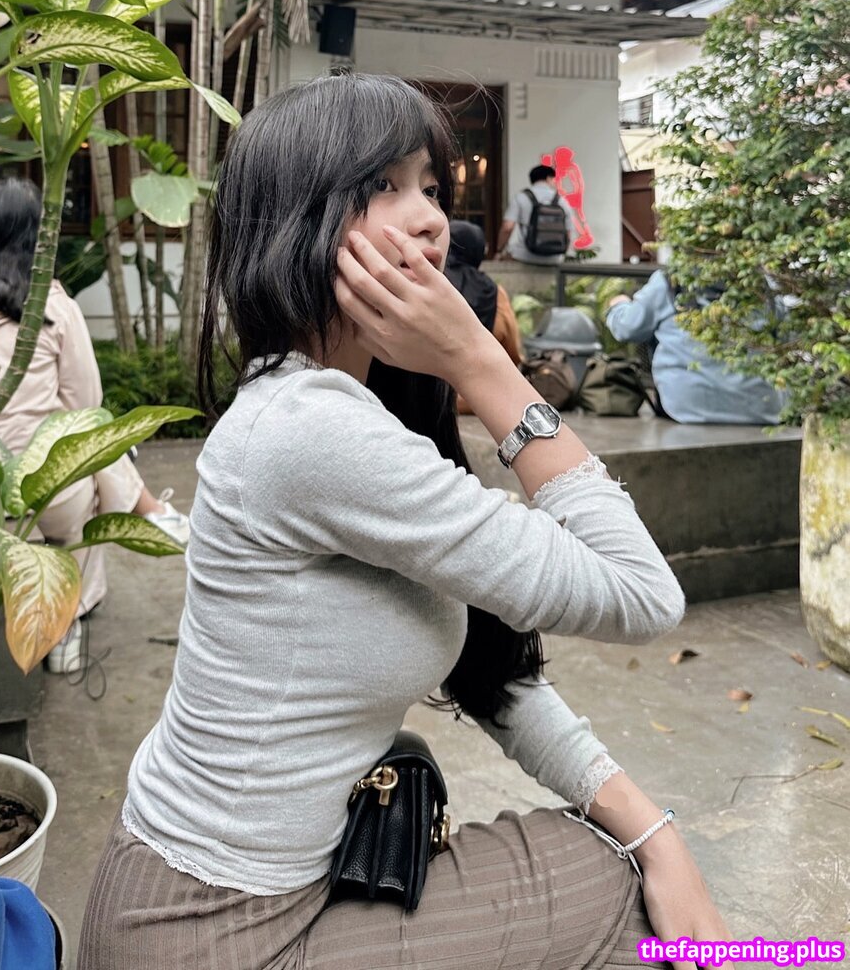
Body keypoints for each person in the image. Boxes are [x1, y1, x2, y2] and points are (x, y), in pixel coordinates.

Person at [79, 73, 735, 970]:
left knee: (625, 866)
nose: (429, 218)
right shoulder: (309, 430)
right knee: (614, 889)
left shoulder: (355, 406)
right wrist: (482, 363)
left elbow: (490, 670)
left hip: (229, 898)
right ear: (298, 224)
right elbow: (642, 595)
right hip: (212, 928)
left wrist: (655, 830)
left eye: (430, 185)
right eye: (382, 185)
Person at [0, 178, 190, 673]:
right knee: (90, 451)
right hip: (45, 502)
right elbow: (87, 405)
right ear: (39, 237)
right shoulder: (53, 306)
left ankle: (150, 511)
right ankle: (66, 624)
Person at [606, 269, 785, 424]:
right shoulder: (763, 283)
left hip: (686, 408)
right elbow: (786, 340)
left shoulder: (671, 280)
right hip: (762, 409)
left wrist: (618, 306)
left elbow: (627, 328)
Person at [444, 219, 521, 415]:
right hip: (478, 399)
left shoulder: (428, 282)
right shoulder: (494, 292)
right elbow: (512, 349)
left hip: (427, 396)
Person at [497, 163, 576, 264]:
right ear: (548, 178)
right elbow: (568, 232)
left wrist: (499, 250)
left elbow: (507, 228)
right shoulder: (561, 201)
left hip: (525, 255)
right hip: (555, 257)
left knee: (503, 258)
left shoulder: (521, 197)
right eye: (553, 179)